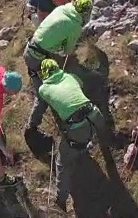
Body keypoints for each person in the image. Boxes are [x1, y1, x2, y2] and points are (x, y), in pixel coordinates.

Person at [37, 58, 110, 211]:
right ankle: (86, 151)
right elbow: (79, 86)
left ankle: (60, 199)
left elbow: (50, 101)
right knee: (84, 139)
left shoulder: (43, 89)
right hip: (95, 115)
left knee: (62, 161)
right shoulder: (70, 76)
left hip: (78, 127)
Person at [23, 0, 93, 133]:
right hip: (38, 58)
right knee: (43, 97)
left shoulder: (62, 9)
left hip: (31, 48)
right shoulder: (75, 26)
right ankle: (31, 126)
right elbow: (67, 51)